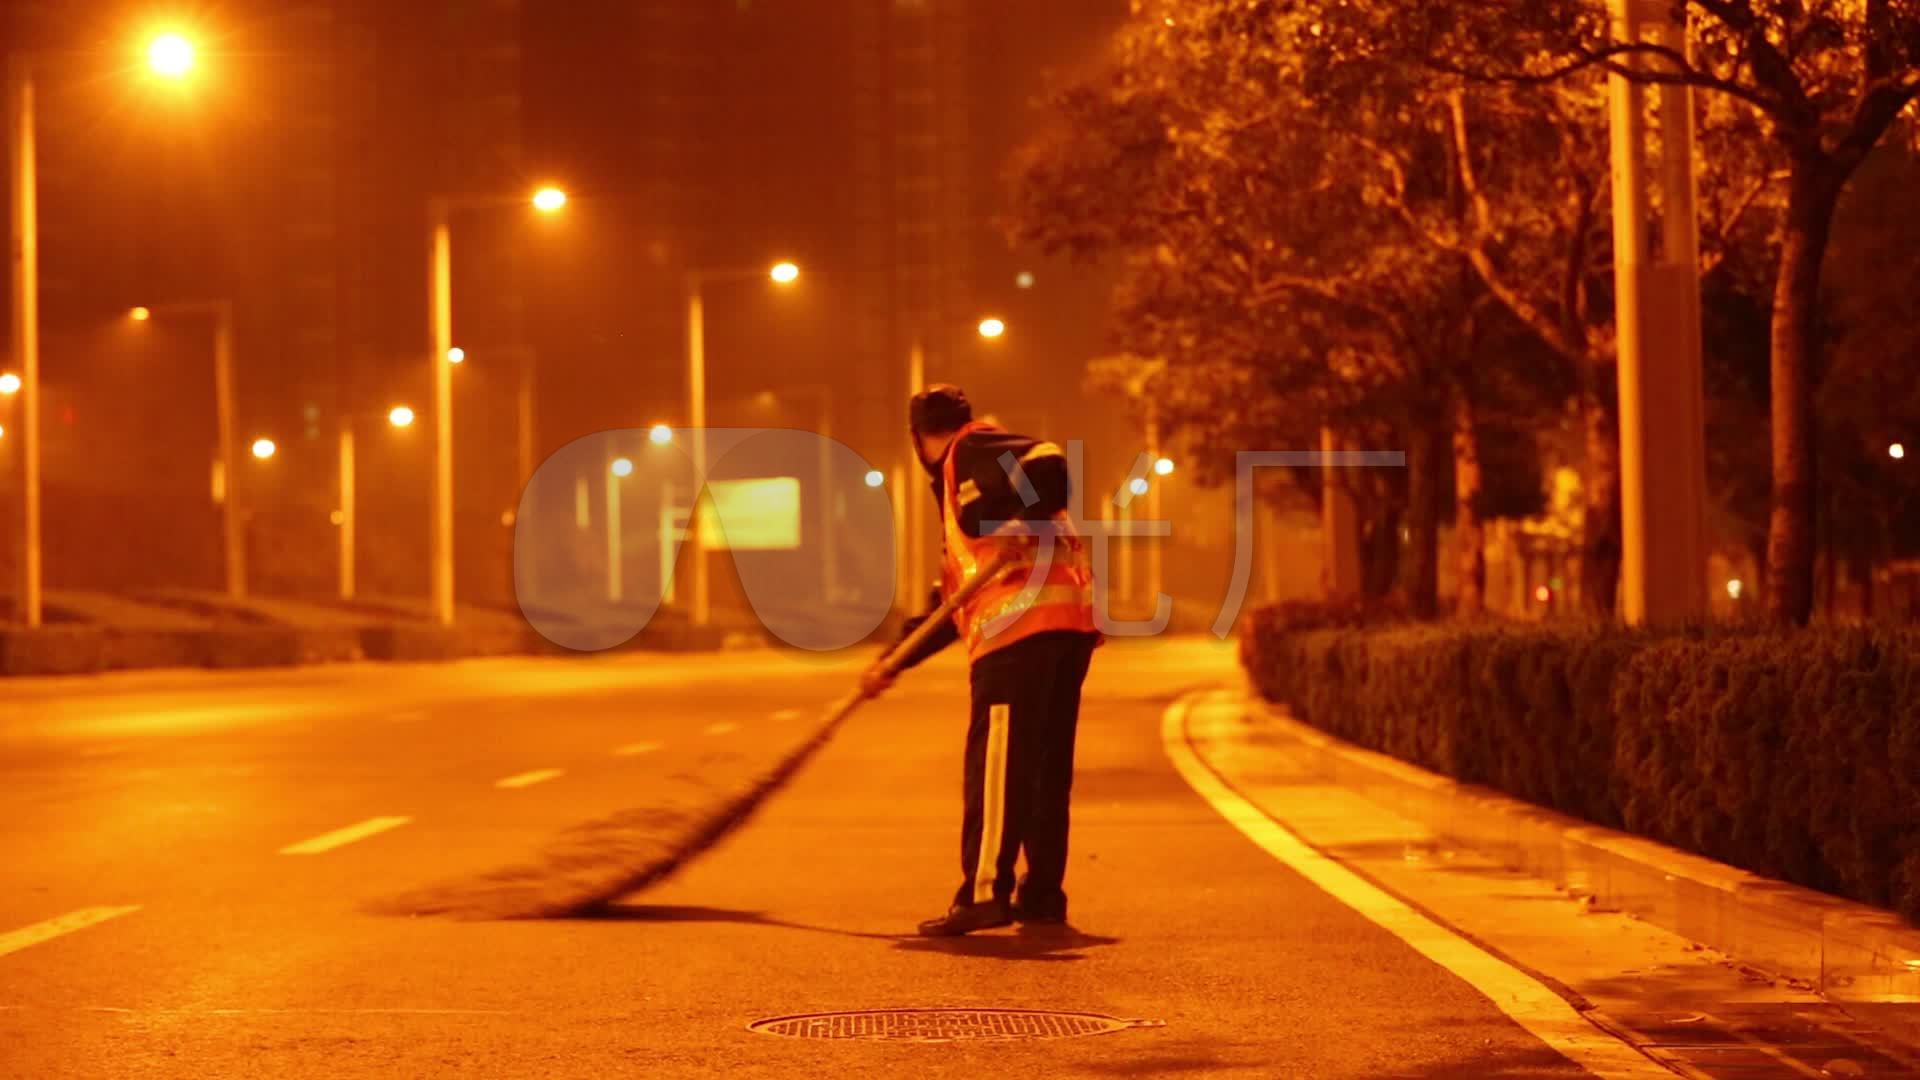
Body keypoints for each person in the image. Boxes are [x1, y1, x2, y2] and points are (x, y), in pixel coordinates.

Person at [861, 384, 1100, 937]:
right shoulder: (967, 491)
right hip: (1066, 629)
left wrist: (1025, 520)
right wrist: (893, 663)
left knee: (996, 769)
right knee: (1042, 771)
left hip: (1019, 631)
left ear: (918, 438)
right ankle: (1041, 894)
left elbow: (1049, 462)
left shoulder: (972, 450)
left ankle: (985, 893)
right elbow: (951, 607)